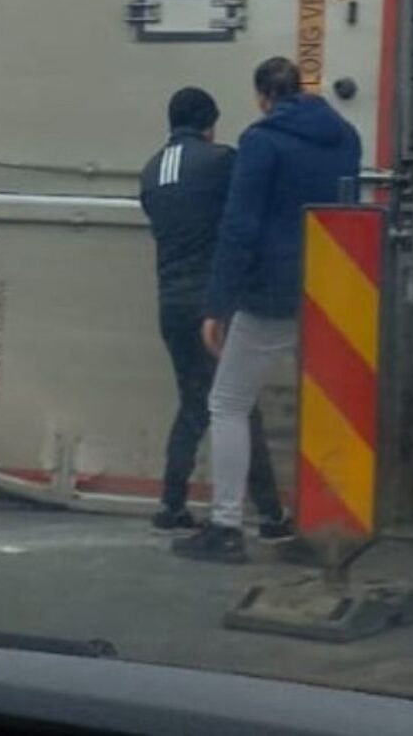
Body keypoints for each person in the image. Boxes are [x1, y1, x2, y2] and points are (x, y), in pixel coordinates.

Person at [173, 57, 362, 563]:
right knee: (325, 409)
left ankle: (226, 526)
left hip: (273, 293)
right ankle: (325, 529)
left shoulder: (261, 142)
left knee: (228, 402)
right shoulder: (346, 136)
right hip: (333, 290)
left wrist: (218, 302)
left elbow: (241, 226)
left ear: (263, 97)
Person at [139, 86, 289, 539]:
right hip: (211, 308)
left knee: (193, 401)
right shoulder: (221, 161)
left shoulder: (151, 170)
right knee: (238, 406)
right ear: (209, 124)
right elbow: (245, 216)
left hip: (169, 302)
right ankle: (271, 516)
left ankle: (171, 505)